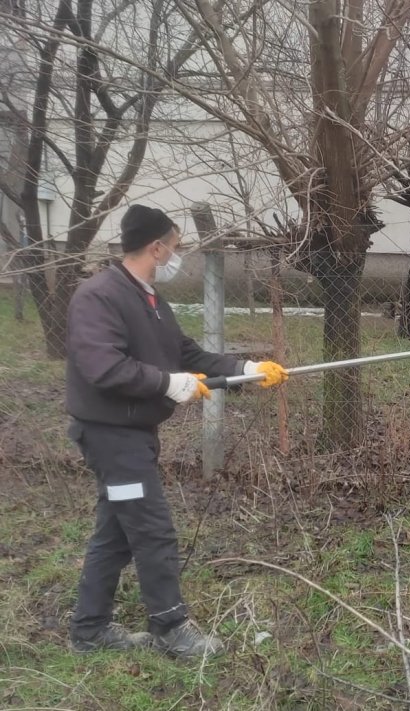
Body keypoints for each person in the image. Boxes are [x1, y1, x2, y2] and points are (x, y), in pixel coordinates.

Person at [65, 204, 288, 658]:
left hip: (134, 434)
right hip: (113, 439)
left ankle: (89, 631)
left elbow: (186, 353)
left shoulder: (149, 298)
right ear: (156, 246)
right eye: (176, 246)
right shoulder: (100, 296)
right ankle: (171, 628)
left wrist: (247, 369)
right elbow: (103, 367)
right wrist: (169, 384)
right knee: (151, 529)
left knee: (117, 532)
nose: (177, 254)